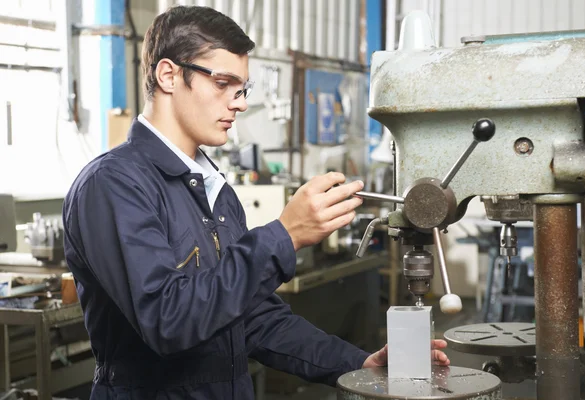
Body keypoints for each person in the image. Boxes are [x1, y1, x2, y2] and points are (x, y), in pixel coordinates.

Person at [62, 5, 449, 399]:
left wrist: (354, 364)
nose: (240, 103)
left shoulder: (216, 191)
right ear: (168, 75)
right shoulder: (113, 185)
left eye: (242, 88)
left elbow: (253, 319)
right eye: (223, 83)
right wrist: (285, 235)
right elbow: (168, 320)